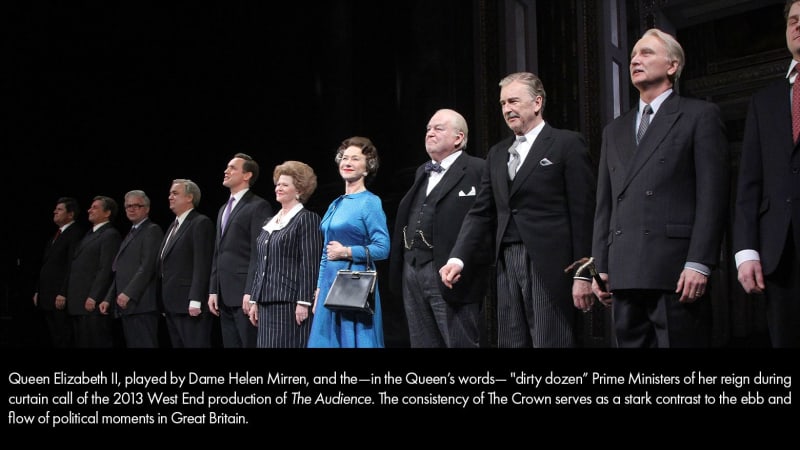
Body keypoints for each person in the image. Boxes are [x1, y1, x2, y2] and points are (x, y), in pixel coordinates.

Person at [591, 29, 729, 348]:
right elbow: (605, 204)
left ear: (672, 65)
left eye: (647, 53)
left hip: (675, 269)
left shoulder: (699, 115)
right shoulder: (615, 130)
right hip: (624, 269)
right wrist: (602, 266)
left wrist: (699, 261)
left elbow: (713, 196)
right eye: (633, 56)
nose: (636, 60)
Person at [440, 72, 596, 348]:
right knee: (510, 341)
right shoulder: (498, 153)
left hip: (551, 264)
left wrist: (583, 273)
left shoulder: (566, 143)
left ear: (537, 103)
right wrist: (458, 258)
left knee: (552, 341)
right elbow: (481, 212)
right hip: (505, 262)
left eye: (513, 101)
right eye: (502, 104)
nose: (507, 109)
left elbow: (583, 213)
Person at [389, 109, 489, 348]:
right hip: (412, 269)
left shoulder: (478, 168)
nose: (430, 133)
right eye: (428, 129)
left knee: (459, 342)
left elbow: (484, 220)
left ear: (458, 137)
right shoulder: (421, 171)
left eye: (438, 128)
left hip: (449, 271)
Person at [734, 0, 800, 348]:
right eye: (793, 19)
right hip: (781, 254)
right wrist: (746, 251)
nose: (798, 25)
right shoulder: (765, 100)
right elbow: (749, 182)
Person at [308, 136, 391, 348]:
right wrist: (319, 289)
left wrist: (347, 252)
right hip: (329, 284)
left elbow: (383, 248)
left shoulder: (370, 202)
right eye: (344, 158)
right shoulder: (335, 204)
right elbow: (326, 253)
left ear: (366, 168)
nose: (347, 162)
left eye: (355, 159)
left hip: (354, 284)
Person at [247, 161, 323, 348]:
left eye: (284, 185)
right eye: (278, 184)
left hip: (289, 304)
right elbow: (261, 263)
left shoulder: (306, 219)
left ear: (299, 190)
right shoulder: (270, 222)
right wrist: (255, 299)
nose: (278, 188)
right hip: (266, 303)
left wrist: (304, 301)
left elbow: (310, 263)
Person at [208, 153, 272, 348]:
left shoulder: (258, 206)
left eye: (232, 168)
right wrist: (213, 289)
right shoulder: (222, 210)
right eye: (227, 167)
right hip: (224, 294)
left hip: (244, 293)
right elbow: (218, 252)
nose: (226, 171)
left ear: (247, 175)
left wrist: (251, 291)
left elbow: (258, 252)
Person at [101, 190, 164, 348]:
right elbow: (120, 269)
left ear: (147, 208)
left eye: (137, 205)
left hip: (142, 304)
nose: (131, 209)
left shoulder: (152, 230)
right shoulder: (131, 233)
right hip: (128, 306)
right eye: (128, 206)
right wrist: (108, 298)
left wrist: (128, 293)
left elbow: (147, 267)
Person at [159, 179, 215, 348]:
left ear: (189, 197)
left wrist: (196, 299)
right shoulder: (173, 226)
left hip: (189, 304)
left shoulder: (200, 222)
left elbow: (202, 263)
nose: (170, 197)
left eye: (175, 193)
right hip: (171, 304)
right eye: (170, 193)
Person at [65, 196, 121, 348]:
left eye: (95, 207)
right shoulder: (89, 234)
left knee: (96, 341)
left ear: (107, 212)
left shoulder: (110, 234)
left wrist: (94, 297)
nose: (89, 210)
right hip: (78, 303)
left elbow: (106, 269)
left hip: (92, 304)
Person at [33, 197, 85, 348]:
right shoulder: (55, 236)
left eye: (60, 209)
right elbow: (46, 266)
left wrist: (63, 292)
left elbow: (72, 265)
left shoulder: (75, 233)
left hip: (60, 297)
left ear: (70, 214)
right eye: (56, 208)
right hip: (47, 295)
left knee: (64, 336)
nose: (55, 211)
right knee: (55, 336)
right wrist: (38, 290)